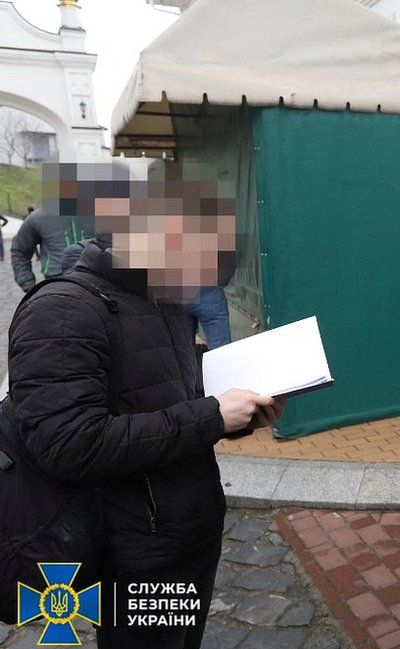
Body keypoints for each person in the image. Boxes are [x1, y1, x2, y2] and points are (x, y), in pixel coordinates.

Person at [7, 162, 283, 649]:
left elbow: (171, 395)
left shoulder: (163, 299)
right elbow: (68, 444)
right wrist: (211, 415)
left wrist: (237, 416)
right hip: (134, 549)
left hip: (191, 527)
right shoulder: (61, 310)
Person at [10, 171, 91, 291]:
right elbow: (19, 251)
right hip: (56, 285)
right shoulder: (37, 218)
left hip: (95, 284)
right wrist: (28, 285)